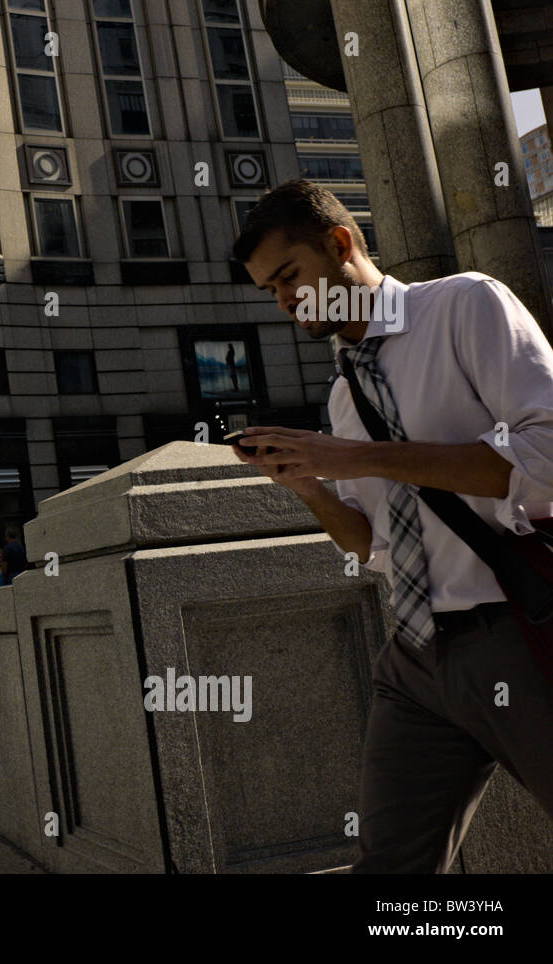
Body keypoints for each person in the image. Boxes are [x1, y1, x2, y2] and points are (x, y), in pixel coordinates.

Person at [232, 179, 553, 873]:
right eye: (270, 290)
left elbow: (547, 458)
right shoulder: (344, 394)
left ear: (341, 244)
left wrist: (356, 455)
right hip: (412, 658)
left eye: (290, 275)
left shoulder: (465, 305)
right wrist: (312, 487)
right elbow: (372, 546)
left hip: (517, 631)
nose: (285, 299)